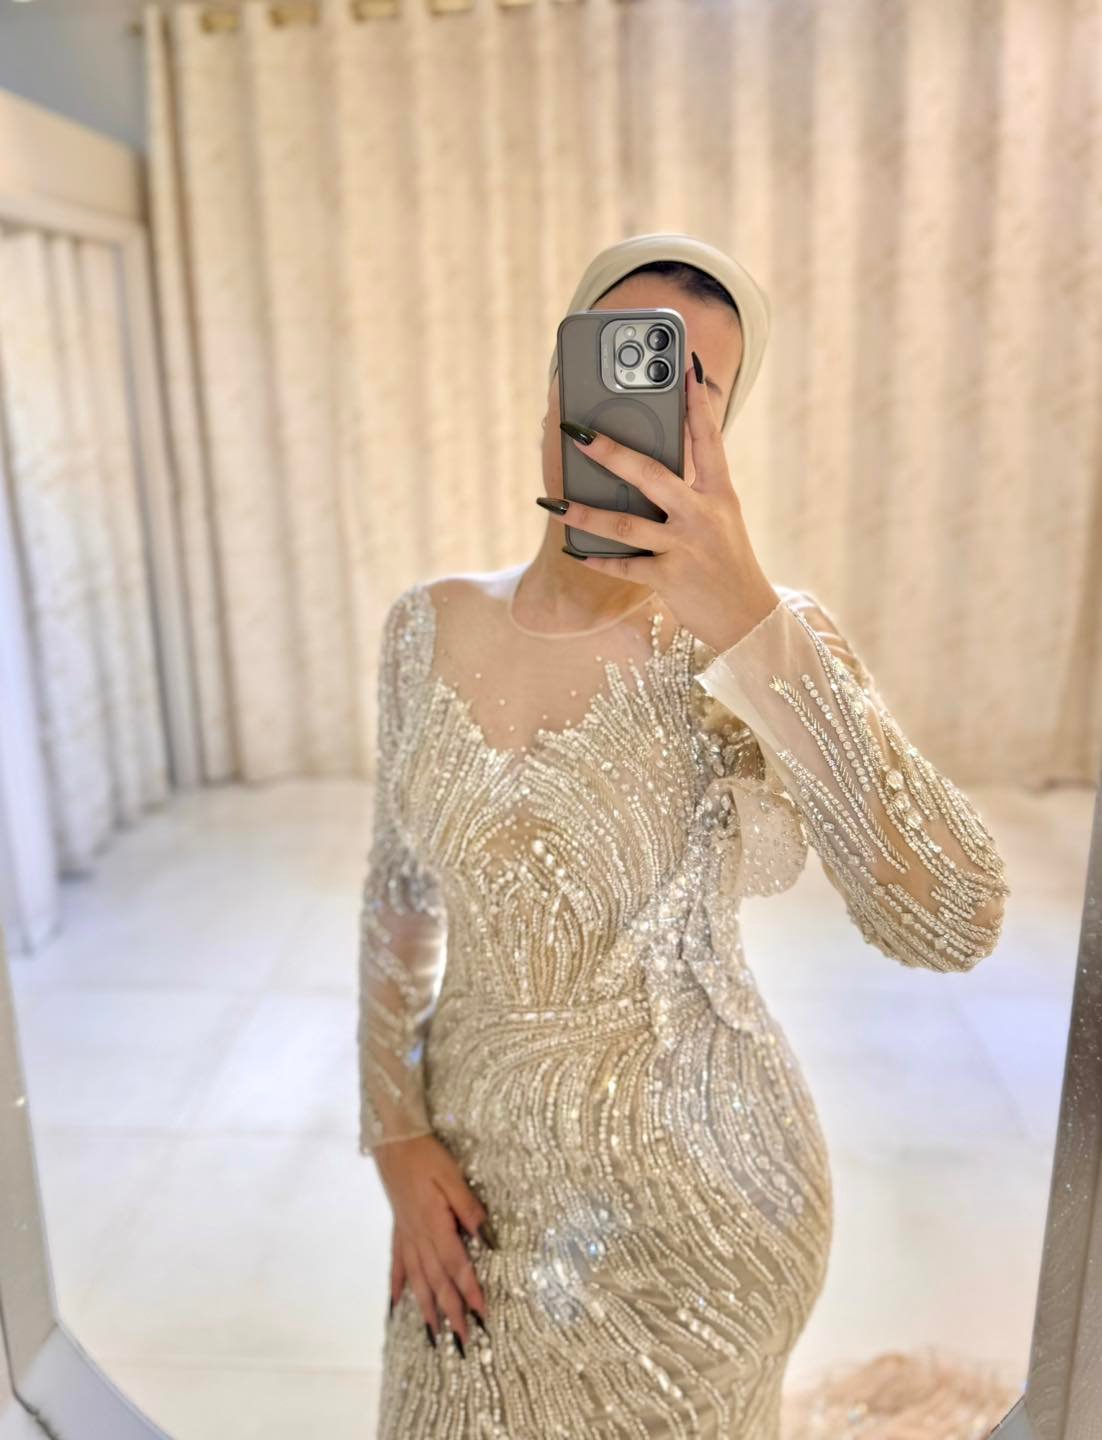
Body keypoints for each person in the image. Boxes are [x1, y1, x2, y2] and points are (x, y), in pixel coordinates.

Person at [357, 233, 1015, 1437]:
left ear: (715, 435)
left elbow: (953, 918)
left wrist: (748, 620)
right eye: (607, 358)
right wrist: (394, 1131)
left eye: (684, 385)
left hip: (700, 1213)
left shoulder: (752, 641)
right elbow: (397, 898)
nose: (630, 407)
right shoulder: (426, 623)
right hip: (471, 1193)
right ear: (554, 386)